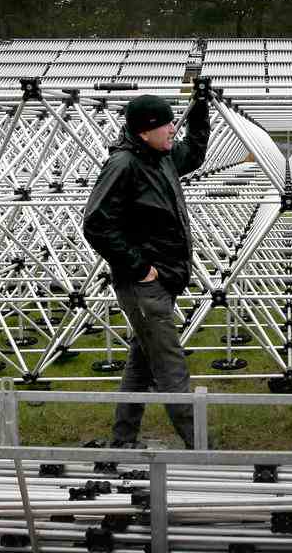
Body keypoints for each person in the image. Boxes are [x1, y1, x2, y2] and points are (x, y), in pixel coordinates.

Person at [83, 93, 210, 449]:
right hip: (144, 287)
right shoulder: (123, 165)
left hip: (163, 282)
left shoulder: (162, 158)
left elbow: (194, 153)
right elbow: (96, 223)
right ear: (143, 132)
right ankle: (203, 450)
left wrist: (200, 111)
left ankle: (122, 441)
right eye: (166, 124)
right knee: (171, 369)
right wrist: (140, 268)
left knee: (140, 366)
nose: (174, 128)